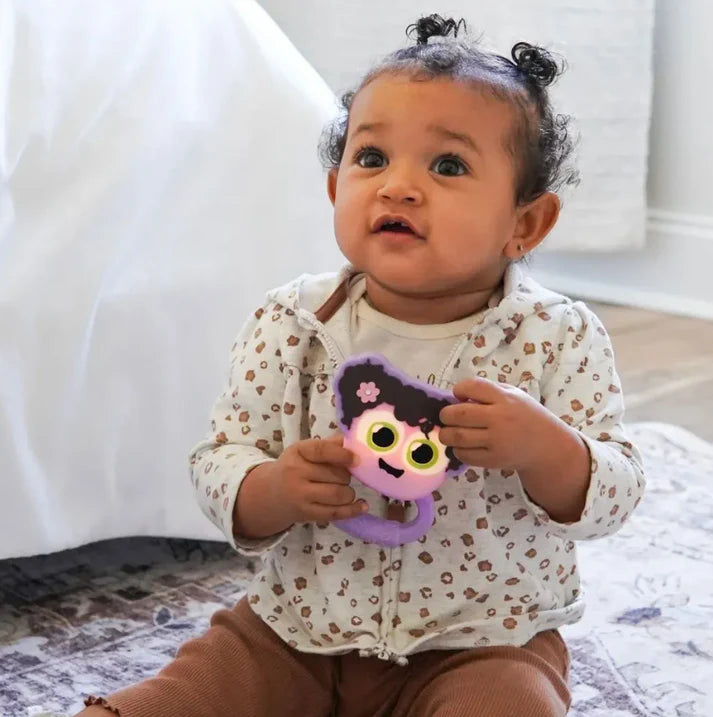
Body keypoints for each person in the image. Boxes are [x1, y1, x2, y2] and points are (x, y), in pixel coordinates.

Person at [78, 13, 646, 717]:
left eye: (447, 166)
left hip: (483, 643)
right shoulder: (292, 323)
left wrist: (545, 447)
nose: (397, 187)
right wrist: (273, 487)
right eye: (371, 158)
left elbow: (616, 492)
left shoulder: (557, 337)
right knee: (176, 697)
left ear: (523, 223)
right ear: (334, 188)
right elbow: (218, 459)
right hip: (293, 633)